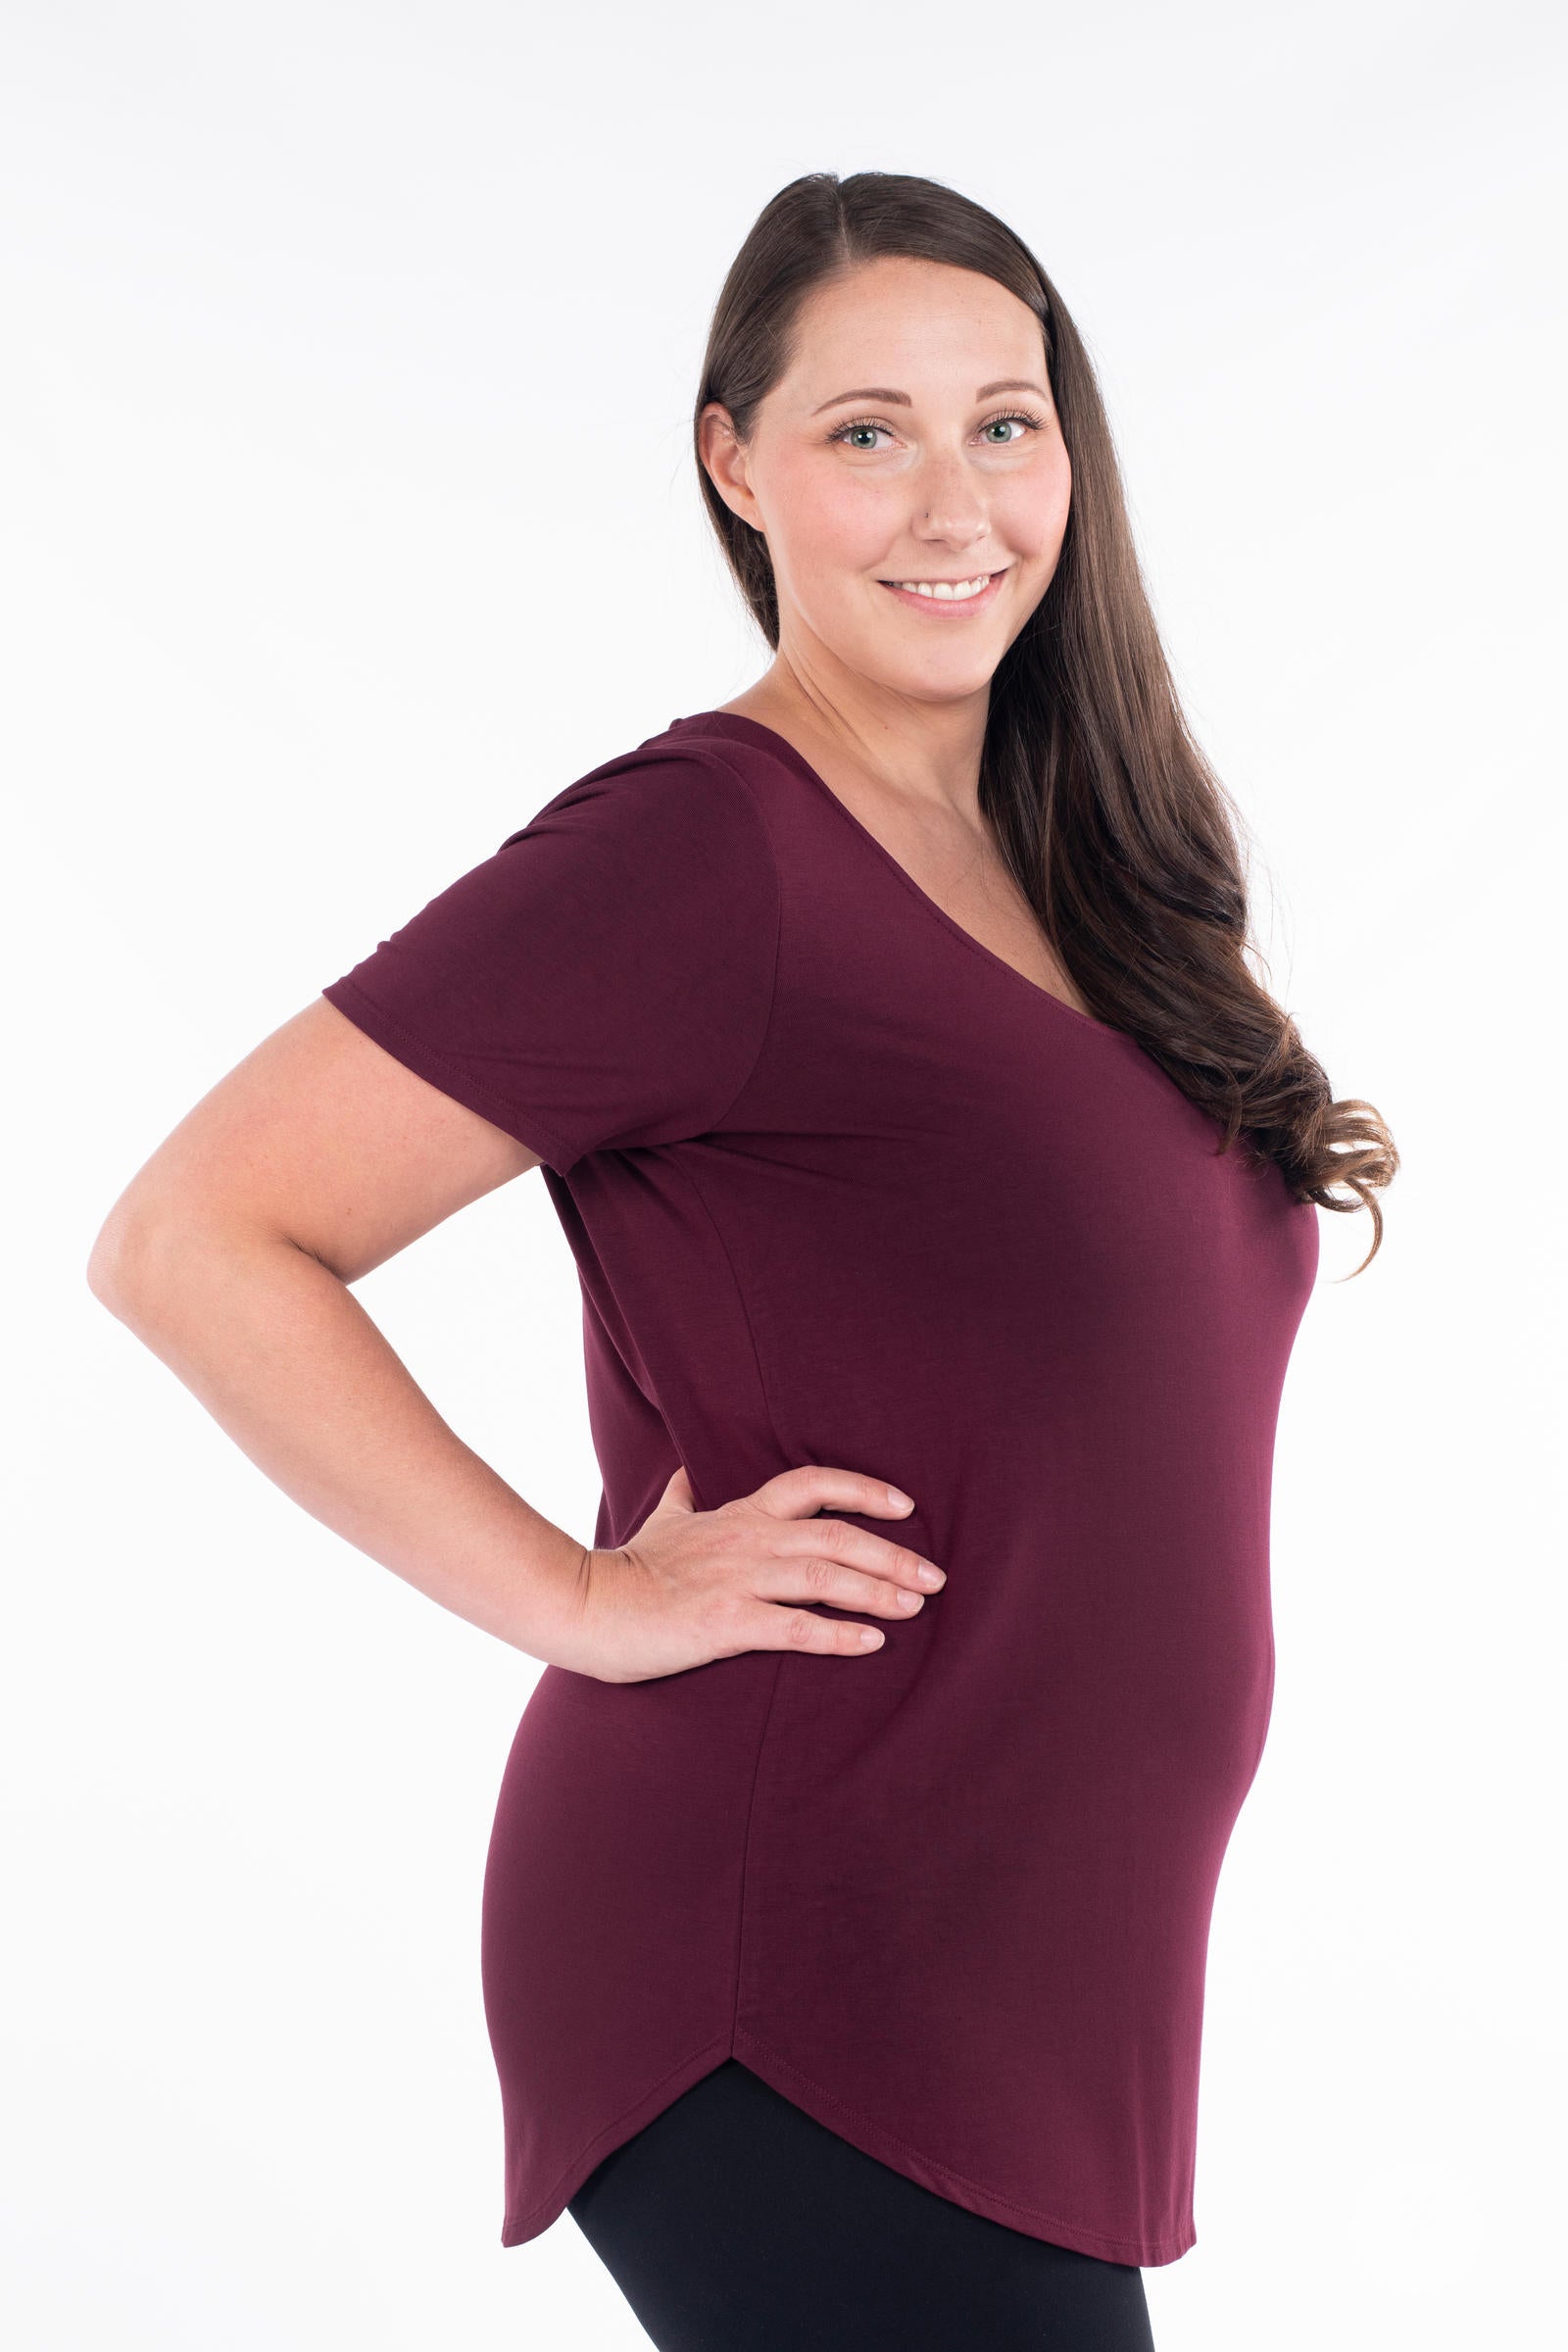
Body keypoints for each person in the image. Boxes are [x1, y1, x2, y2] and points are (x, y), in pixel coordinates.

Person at [86, 170, 1397, 2350]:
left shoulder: (1082, 856)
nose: (954, 502)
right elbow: (196, 1236)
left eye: (1005, 423)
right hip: (794, 1956)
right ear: (735, 462)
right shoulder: (706, 852)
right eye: (866, 430)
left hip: (1032, 1976)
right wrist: (579, 1597)